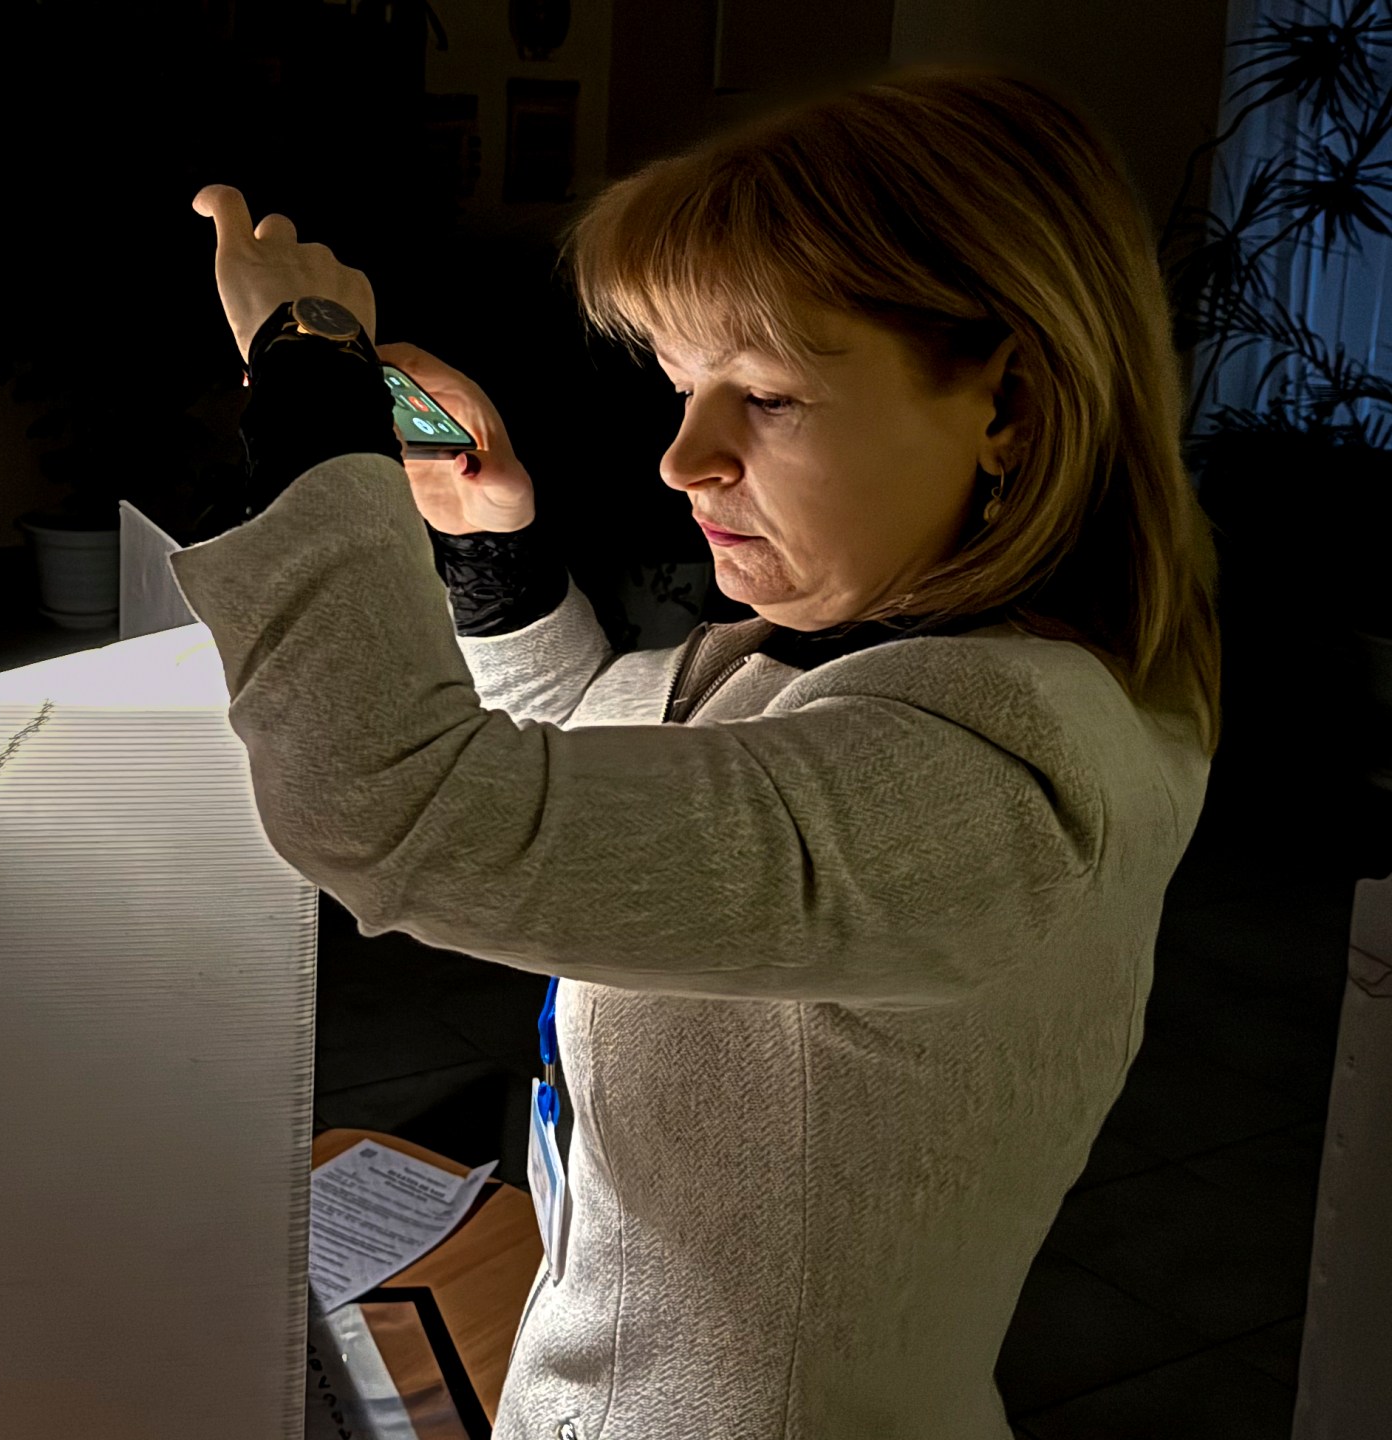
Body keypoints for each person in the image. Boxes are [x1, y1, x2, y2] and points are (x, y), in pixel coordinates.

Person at [180, 70, 1218, 1438]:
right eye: (682, 388)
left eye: (769, 398)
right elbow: (621, 762)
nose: (685, 459)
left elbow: (401, 808)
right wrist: (488, 556)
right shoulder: (898, 665)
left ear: (1007, 408)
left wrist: (312, 391)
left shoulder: (990, 780)